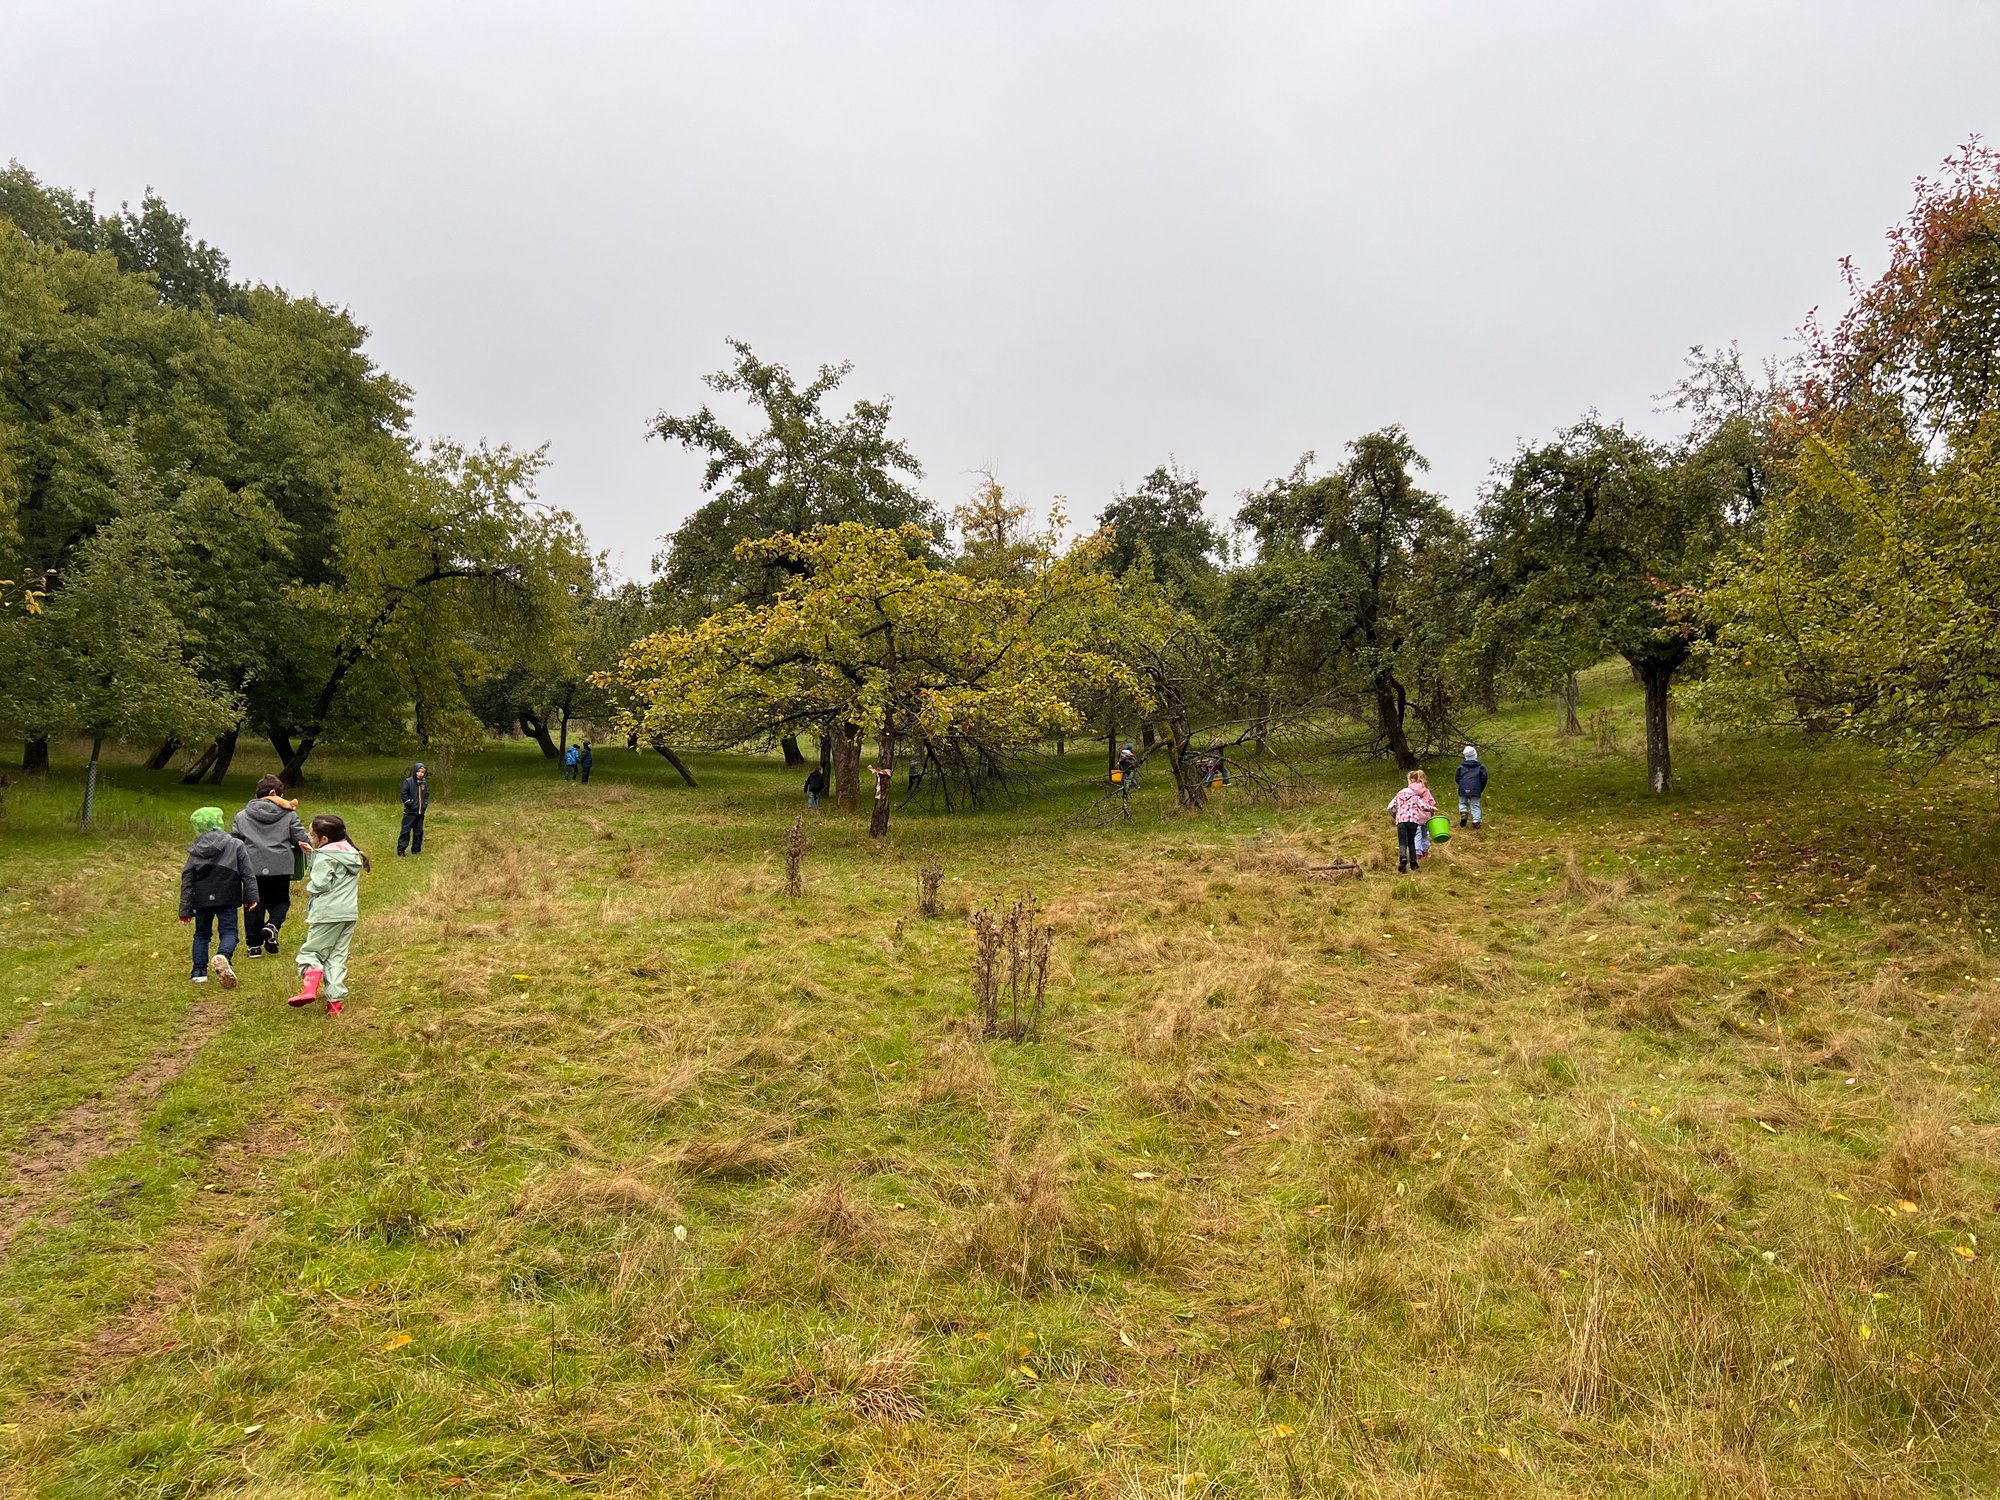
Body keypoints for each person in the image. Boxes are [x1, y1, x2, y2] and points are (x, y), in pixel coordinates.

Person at [288, 813, 371, 1016]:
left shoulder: (325, 855)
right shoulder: (351, 853)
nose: (309, 838)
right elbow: (334, 864)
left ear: (324, 839)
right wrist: (313, 855)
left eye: (311, 835)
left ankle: (309, 988)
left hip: (327, 914)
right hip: (348, 914)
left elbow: (320, 884)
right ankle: (335, 1004)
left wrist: (312, 874)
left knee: (311, 953)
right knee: (336, 956)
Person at [232, 775, 311, 957]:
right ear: (275, 794)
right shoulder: (289, 815)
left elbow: (235, 841)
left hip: (251, 865)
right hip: (280, 865)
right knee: (281, 900)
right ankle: (272, 925)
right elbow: (300, 839)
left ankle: (254, 946)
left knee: (253, 903)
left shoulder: (242, 816)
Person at [179, 806, 257, 988]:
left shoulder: (195, 849)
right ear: (219, 823)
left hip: (202, 898)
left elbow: (187, 879)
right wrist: (251, 896)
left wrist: (185, 909)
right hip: (227, 896)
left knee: (201, 934)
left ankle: (198, 972)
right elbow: (248, 873)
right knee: (229, 932)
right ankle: (223, 956)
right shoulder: (236, 844)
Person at [1389, 770, 1438, 875]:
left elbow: (1390, 807)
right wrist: (1432, 809)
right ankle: (1413, 863)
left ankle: (1403, 859)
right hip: (1413, 821)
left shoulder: (1399, 794)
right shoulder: (1415, 796)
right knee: (1411, 841)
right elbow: (1423, 806)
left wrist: (1395, 815)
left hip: (1401, 820)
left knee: (1402, 842)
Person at [398, 762, 429, 855]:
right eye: (418, 771)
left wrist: (425, 804)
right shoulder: (409, 781)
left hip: (420, 812)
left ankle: (416, 850)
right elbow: (403, 794)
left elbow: (426, 795)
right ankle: (401, 849)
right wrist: (409, 803)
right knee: (405, 831)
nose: (420, 773)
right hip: (410, 812)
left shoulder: (424, 784)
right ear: (415, 772)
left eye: (422, 772)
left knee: (418, 832)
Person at [1456, 745, 1488, 828]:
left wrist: (1462, 785)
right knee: (1475, 804)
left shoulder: (1461, 767)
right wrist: (1480, 788)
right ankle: (1476, 821)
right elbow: (1484, 778)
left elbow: (1457, 778)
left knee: (1463, 802)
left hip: (1463, 788)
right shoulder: (1480, 767)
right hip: (1475, 788)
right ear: (1475, 755)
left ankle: (1463, 813)